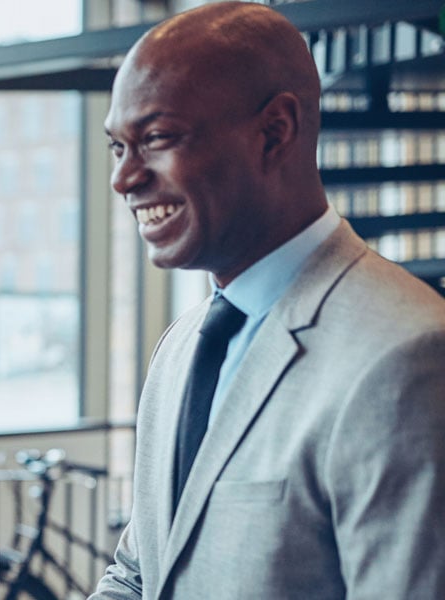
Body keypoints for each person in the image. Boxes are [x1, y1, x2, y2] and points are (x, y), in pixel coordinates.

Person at [94, 3, 445, 599]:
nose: (124, 179)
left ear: (275, 131)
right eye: (116, 147)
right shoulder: (180, 349)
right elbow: (140, 575)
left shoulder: (406, 355)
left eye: (156, 138)